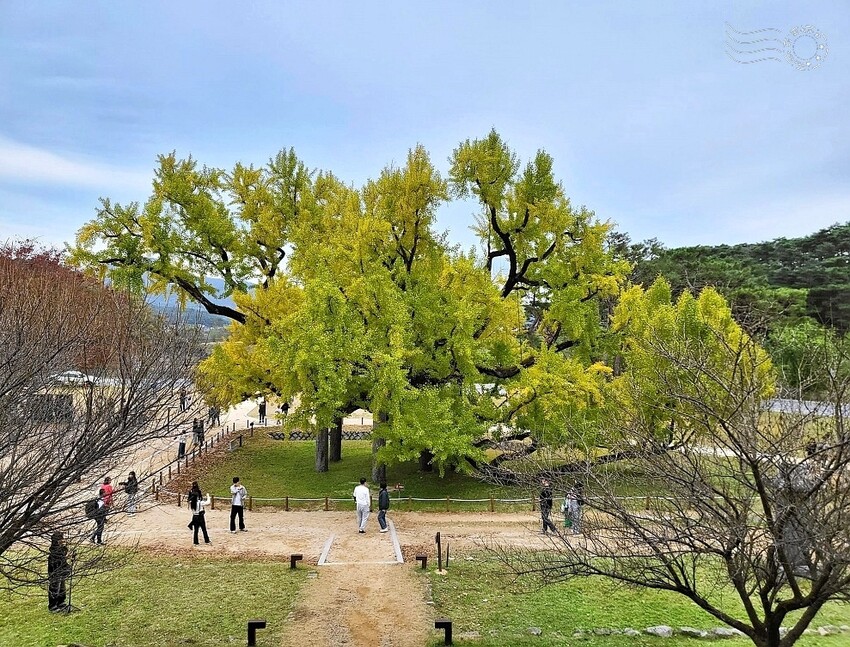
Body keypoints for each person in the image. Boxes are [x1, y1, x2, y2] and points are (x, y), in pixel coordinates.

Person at [47, 532, 70, 612]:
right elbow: (56, 562)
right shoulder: (54, 551)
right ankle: (53, 605)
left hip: (61, 571)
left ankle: (61, 602)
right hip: (55, 572)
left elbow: (64, 555)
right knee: (55, 588)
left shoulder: (61, 549)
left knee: (62, 588)